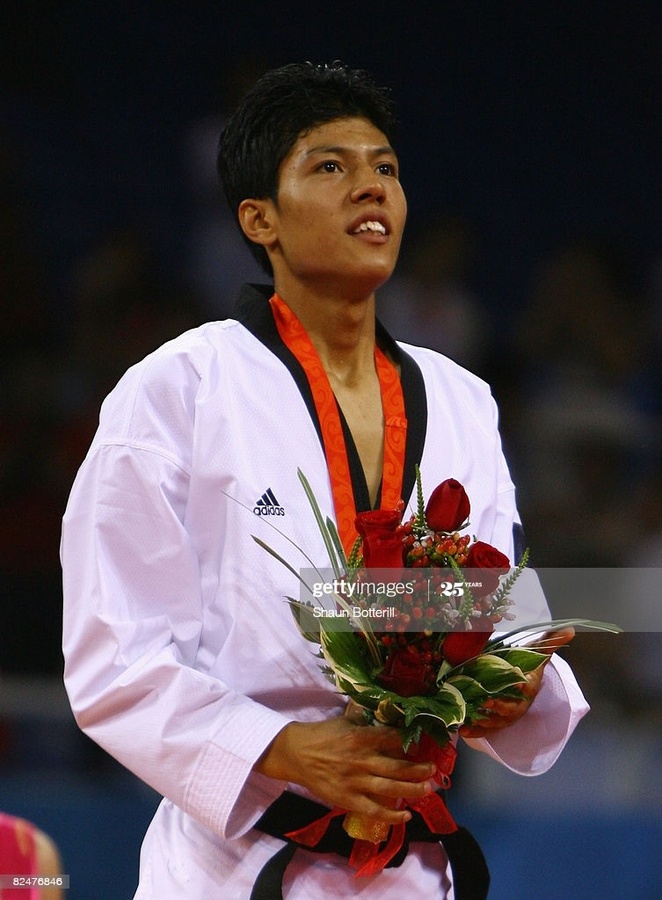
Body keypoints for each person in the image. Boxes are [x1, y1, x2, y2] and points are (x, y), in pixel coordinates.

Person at [61, 62, 588, 899]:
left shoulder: (462, 400)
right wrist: (280, 748)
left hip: (415, 867)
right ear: (258, 219)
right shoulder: (177, 391)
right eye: (330, 167)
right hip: (234, 868)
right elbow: (115, 658)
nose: (370, 188)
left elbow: (508, 610)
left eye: (385, 168)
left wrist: (516, 688)